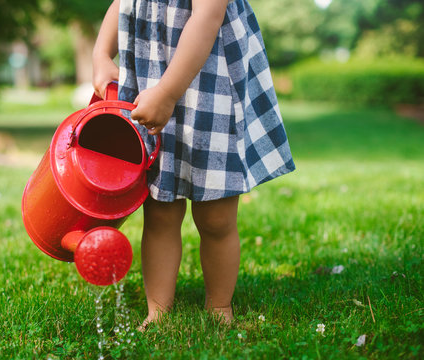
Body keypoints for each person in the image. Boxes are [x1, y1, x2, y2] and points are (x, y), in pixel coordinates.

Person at [92, 0, 295, 328]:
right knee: (159, 211)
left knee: (216, 217)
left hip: (209, 87)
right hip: (151, 84)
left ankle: (219, 306)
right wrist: (101, 54)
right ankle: (158, 311)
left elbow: (208, 15)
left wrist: (168, 93)